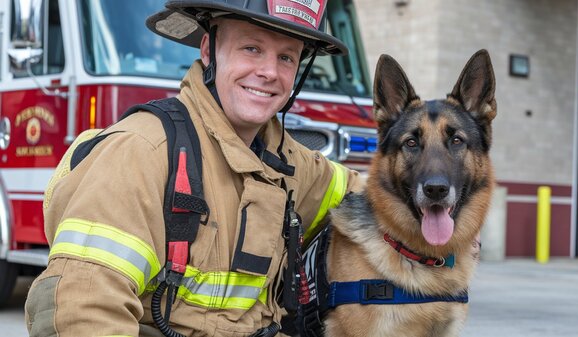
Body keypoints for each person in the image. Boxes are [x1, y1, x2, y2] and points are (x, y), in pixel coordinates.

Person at [24, 0, 361, 336]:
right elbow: (80, 310)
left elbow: (377, 196)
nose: (270, 72)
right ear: (209, 51)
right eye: (251, 48)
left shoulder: (288, 162)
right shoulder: (142, 150)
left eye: (286, 57)